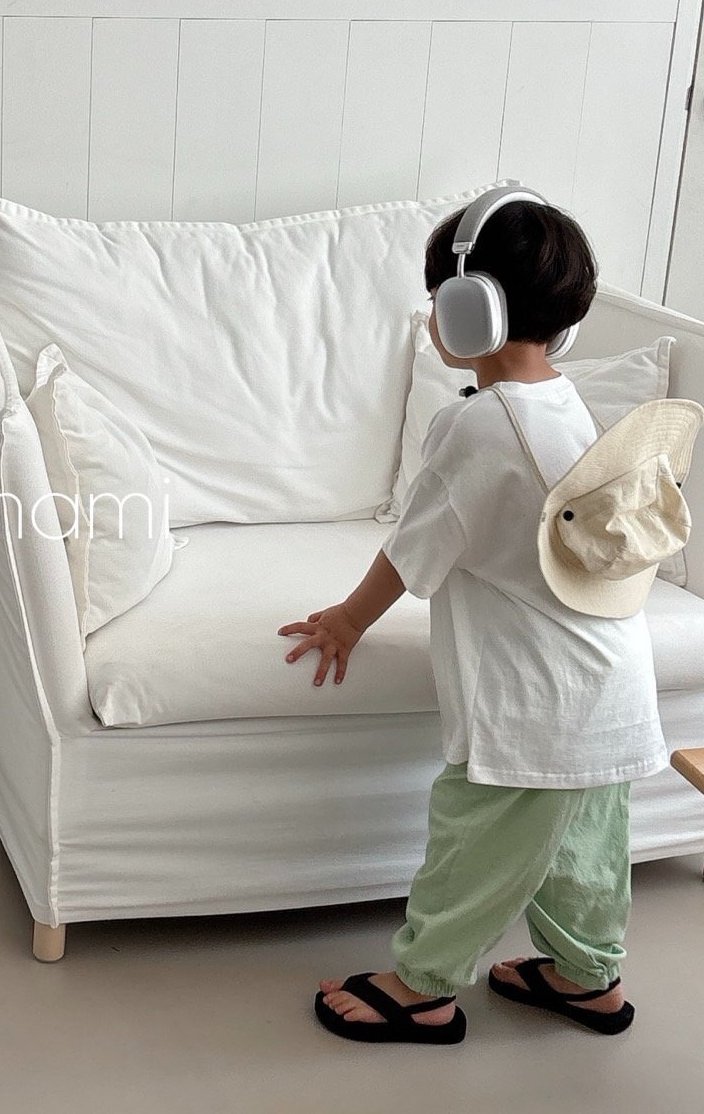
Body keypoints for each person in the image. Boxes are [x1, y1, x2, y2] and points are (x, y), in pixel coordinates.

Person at [279, 198, 680, 1044]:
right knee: (585, 852)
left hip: (535, 708)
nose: (432, 314)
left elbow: (412, 551)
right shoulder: (568, 404)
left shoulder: (474, 426)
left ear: (469, 308)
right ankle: (586, 978)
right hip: (612, 691)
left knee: (476, 847)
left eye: (439, 297)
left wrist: (347, 621)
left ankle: (421, 987)